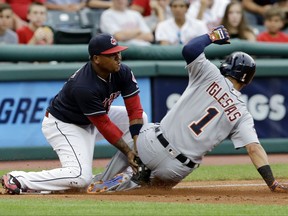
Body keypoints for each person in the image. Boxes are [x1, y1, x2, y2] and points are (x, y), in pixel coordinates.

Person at [87, 25, 288, 194]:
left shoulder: (210, 75)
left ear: (226, 67)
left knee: (139, 132)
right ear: (248, 80)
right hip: (176, 169)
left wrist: (211, 37)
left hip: (152, 144)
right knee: (149, 191)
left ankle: (105, 180)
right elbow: (254, 148)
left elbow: (190, 49)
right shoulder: (242, 113)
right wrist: (271, 182)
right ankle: (131, 184)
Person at [1, 33, 148, 195]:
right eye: (111, 55)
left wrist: (136, 145)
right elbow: (104, 125)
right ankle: (19, 179)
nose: (118, 57)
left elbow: (134, 111)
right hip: (65, 124)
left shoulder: (123, 72)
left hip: (92, 119)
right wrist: (128, 151)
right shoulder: (84, 86)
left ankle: (122, 172)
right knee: (80, 177)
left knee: (143, 120)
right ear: (97, 59)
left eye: (118, 52)